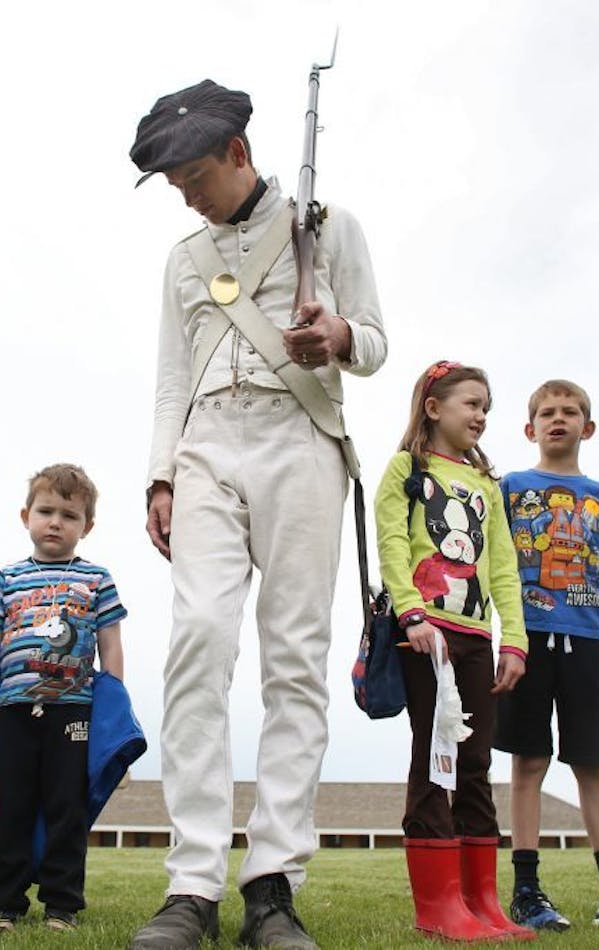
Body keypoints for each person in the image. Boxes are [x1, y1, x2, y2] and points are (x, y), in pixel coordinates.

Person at [127, 79, 386, 950]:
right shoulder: (181, 259)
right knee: (198, 639)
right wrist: (161, 475)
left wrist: (338, 336)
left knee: (295, 658)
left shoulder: (330, 227)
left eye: (195, 176)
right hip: (207, 449)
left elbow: (378, 344)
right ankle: (192, 883)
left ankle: (272, 883)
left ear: (238, 153)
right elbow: (171, 376)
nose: (186, 195)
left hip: (301, 441)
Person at [493, 379, 599, 933]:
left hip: (588, 639)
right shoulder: (511, 488)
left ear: (587, 428)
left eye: (570, 412)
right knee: (529, 762)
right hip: (528, 635)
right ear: (530, 428)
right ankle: (526, 892)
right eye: (547, 412)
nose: (558, 419)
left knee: (592, 763)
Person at [373, 361, 531, 944]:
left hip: (476, 638)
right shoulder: (406, 468)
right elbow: (391, 540)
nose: (481, 415)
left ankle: (480, 901)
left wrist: (513, 639)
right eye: (471, 403)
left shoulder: (488, 486)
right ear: (435, 408)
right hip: (426, 633)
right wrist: (410, 611)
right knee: (436, 756)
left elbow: (505, 569)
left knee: (477, 762)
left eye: (487, 406)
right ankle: (437, 905)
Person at [0, 463, 126, 933]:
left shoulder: (97, 580)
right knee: (12, 806)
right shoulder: (5, 578)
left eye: (69, 514)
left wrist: (112, 710)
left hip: (73, 710)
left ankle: (62, 904)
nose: (55, 522)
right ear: (26, 516)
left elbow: (111, 646)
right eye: (46, 511)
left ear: (87, 526)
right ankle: (5, 904)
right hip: (13, 711)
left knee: (66, 808)